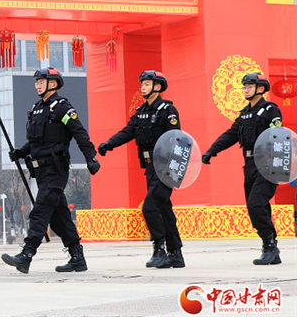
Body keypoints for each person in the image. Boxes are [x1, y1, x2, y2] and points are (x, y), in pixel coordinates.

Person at [2, 68, 100, 274]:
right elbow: (36, 141)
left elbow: (79, 133)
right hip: (40, 170)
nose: (37, 85)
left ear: (53, 84)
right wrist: (20, 152)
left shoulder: (63, 107)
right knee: (58, 217)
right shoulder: (37, 108)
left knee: (40, 209)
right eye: (37, 82)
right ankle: (77, 257)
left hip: (56, 169)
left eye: (42, 82)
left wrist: (90, 158)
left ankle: (26, 255)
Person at [98, 70, 184, 268]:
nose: (142, 87)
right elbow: (128, 131)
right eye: (142, 84)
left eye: (146, 84)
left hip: (165, 166)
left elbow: (176, 138)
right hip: (150, 166)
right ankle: (176, 254)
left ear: (157, 87)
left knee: (150, 206)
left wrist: (174, 169)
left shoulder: (167, 110)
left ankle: (159, 249)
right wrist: (109, 144)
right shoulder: (141, 112)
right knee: (164, 209)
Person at [202, 72, 283, 265]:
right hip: (249, 164)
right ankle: (269, 245)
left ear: (260, 89)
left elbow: (280, 136)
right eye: (244, 87)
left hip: (268, 164)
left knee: (256, 204)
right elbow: (231, 134)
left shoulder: (270, 110)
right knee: (257, 205)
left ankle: (270, 246)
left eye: (249, 86)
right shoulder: (244, 114)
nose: (245, 90)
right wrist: (212, 150)